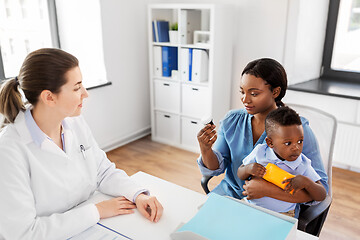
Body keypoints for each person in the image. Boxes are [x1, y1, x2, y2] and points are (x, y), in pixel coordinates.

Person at [0, 48, 163, 239]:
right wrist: (96, 211)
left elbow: (103, 171)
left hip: (91, 227)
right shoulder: (9, 150)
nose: (85, 93)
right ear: (49, 97)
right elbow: (23, 234)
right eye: (77, 88)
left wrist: (137, 194)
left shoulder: (73, 122)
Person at [197, 58, 328, 218]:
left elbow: (321, 190)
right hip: (229, 196)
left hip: (275, 208)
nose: (245, 99)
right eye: (242, 92)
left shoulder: (297, 131)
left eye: (254, 94)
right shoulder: (232, 120)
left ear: (275, 92)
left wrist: (267, 191)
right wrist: (205, 149)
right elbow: (216, 167)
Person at [237, 106, 326, 217]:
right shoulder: (260, 152)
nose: (296, 148)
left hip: (283, 214)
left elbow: (322, 195)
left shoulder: (302, 164)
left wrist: (307, 183)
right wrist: (248, 169)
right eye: (288, 143)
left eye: (300, 141)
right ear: (270, 143)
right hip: (249, 206)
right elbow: (240, 173)